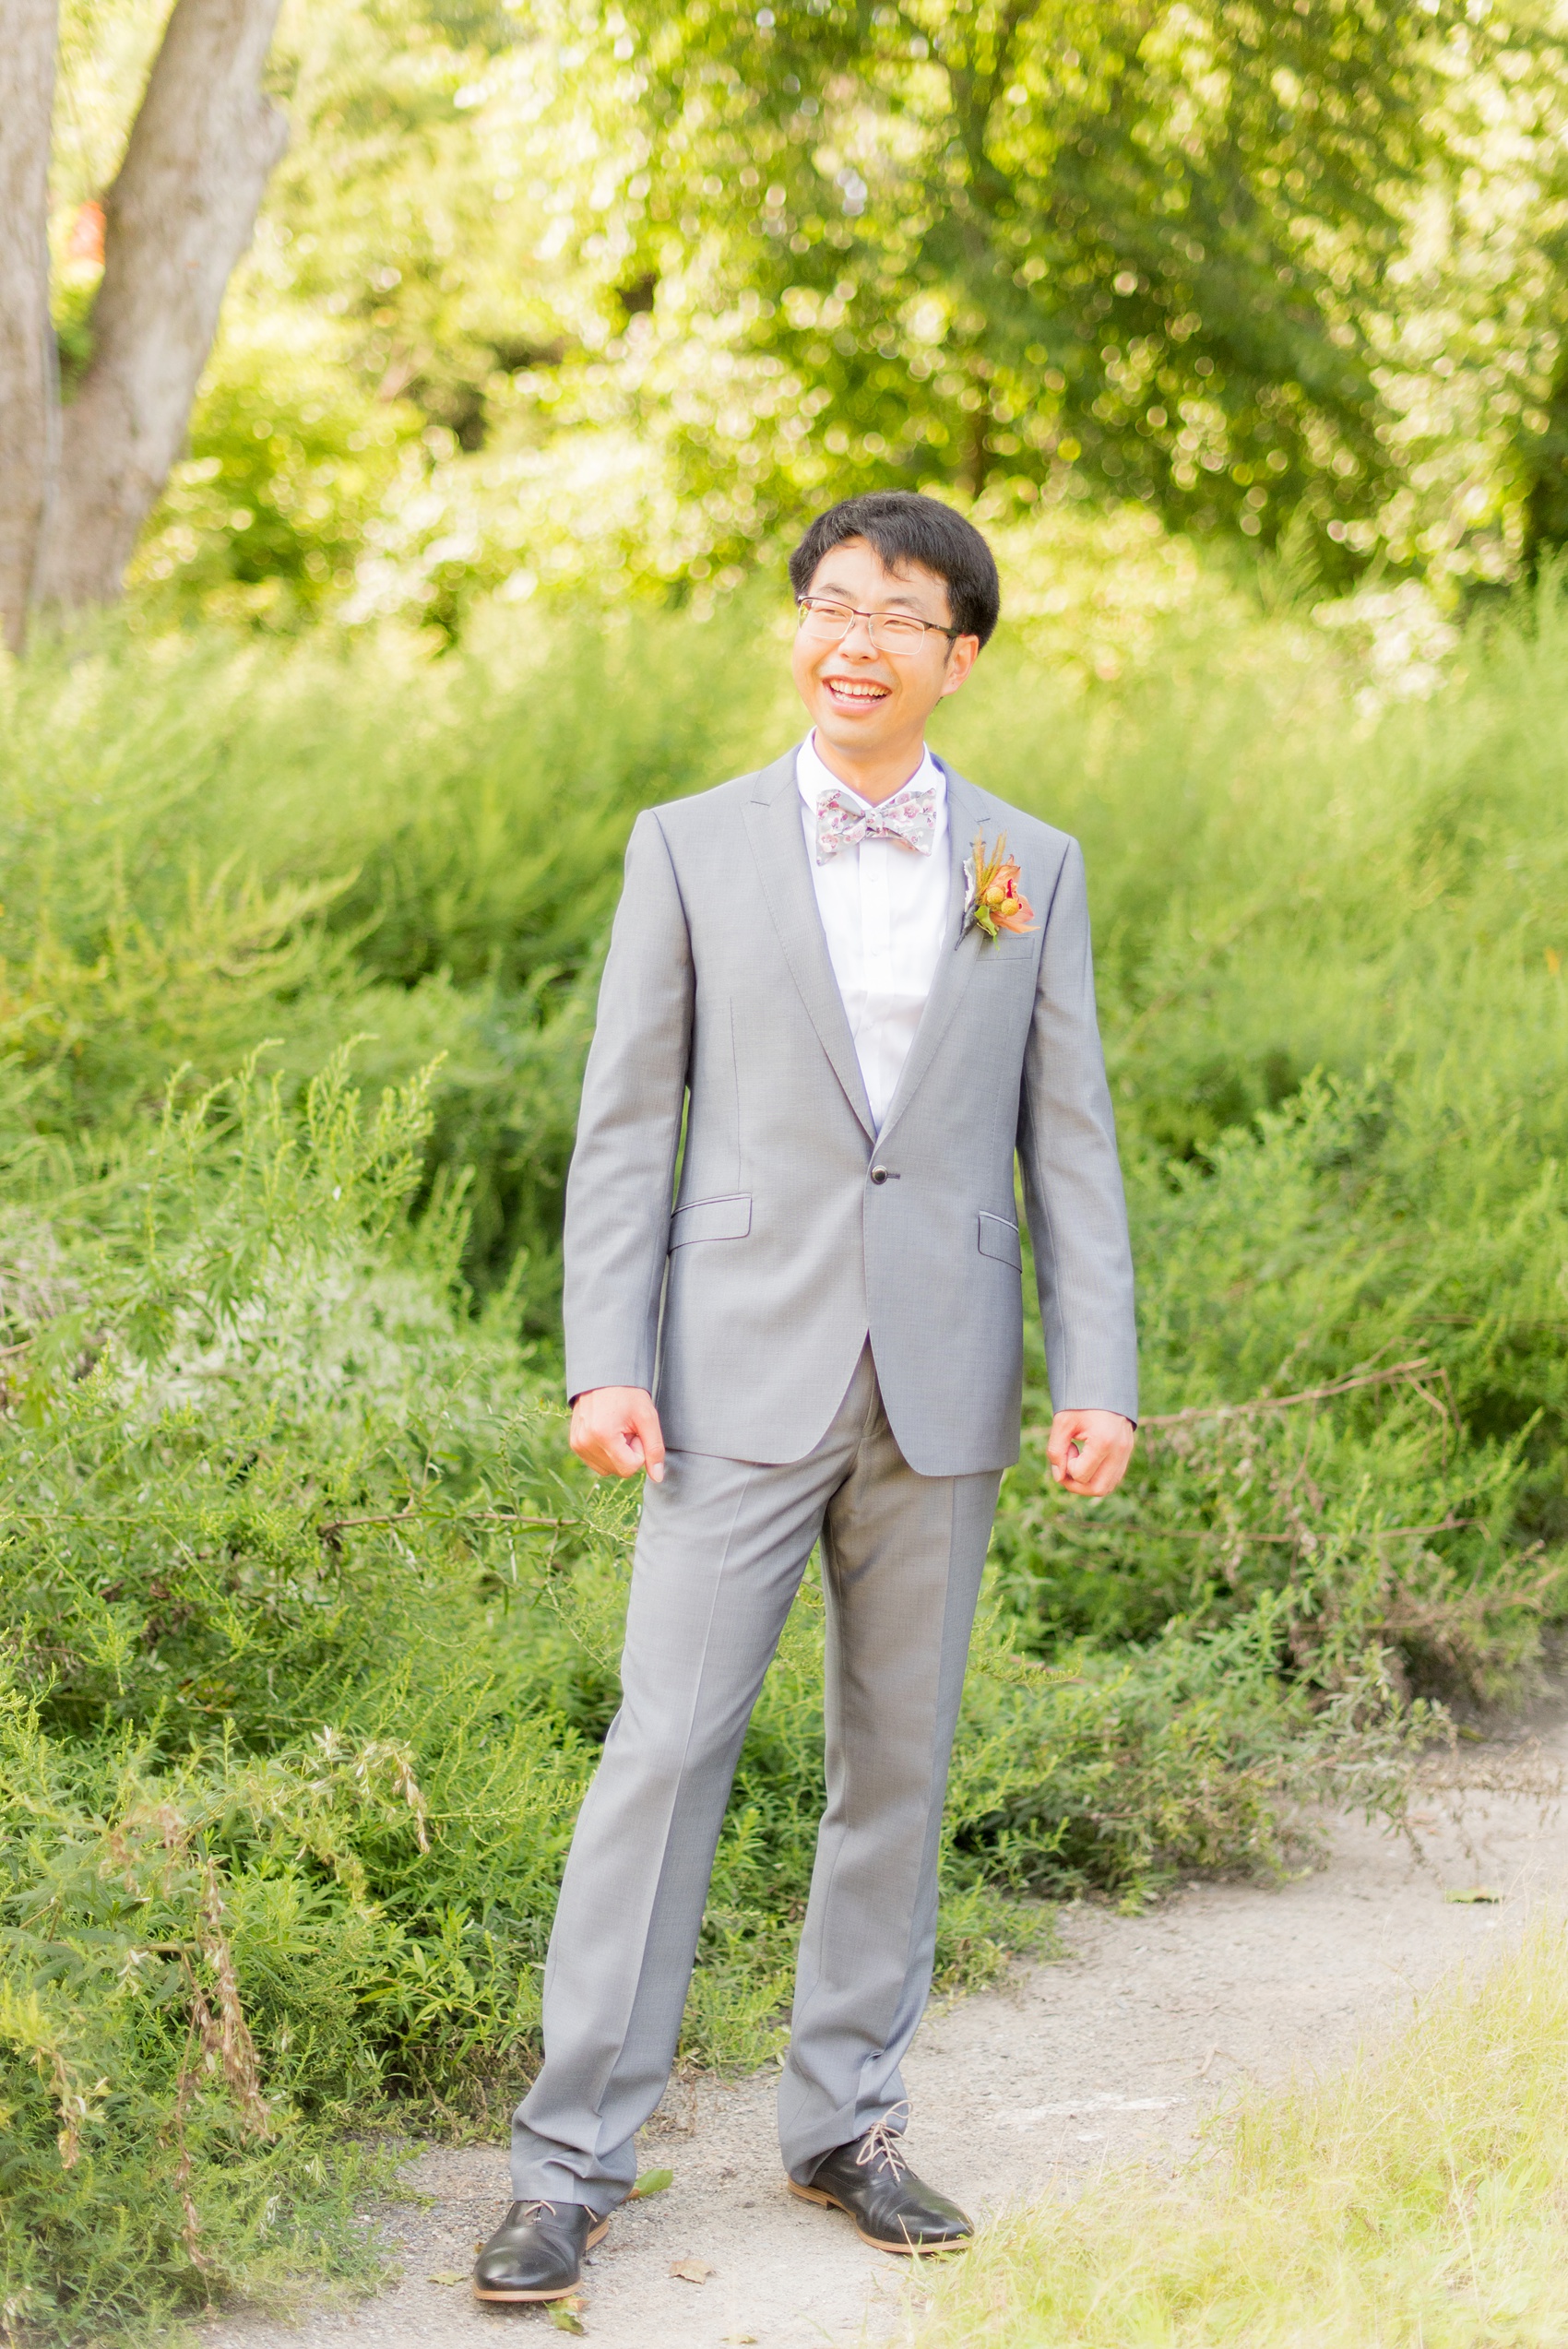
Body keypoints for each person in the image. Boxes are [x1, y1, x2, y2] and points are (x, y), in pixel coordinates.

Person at [473, 491, 1138, 2304]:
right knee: (664, 1749)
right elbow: (623, 1125)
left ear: (959, 654)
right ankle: (567, 2160)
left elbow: (1066, 1140)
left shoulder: (1031, 862)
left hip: (943, 1381)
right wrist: (605, 1350)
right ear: (803, 630)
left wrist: (1101, 1369)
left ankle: (846, 2117)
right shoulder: (686, 844)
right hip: (726, 1375)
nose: (854, 636)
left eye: (897, 613)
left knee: (895, 1767)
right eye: (829, 603)